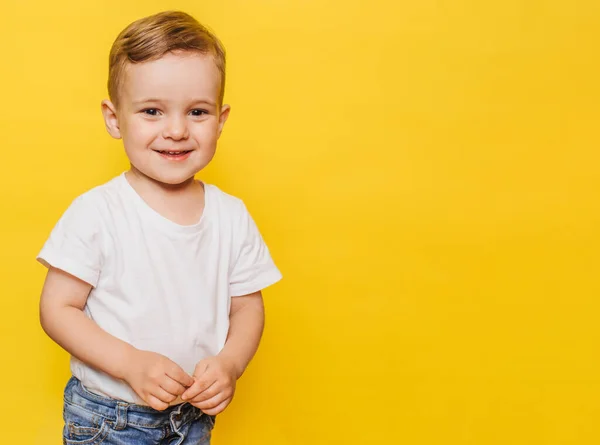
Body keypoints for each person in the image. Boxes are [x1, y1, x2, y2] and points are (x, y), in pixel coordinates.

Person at [37, 10, 282, 445]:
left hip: (192, 416)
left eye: (197, 112)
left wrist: (229, 363)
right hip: (109, 417)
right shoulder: (98, 212)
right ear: (115, 119)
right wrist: (129, 363)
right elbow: (58, 310)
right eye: (152, 111)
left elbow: (247, 307)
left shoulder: (231, 216)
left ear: (221, 121)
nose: (176, 130)